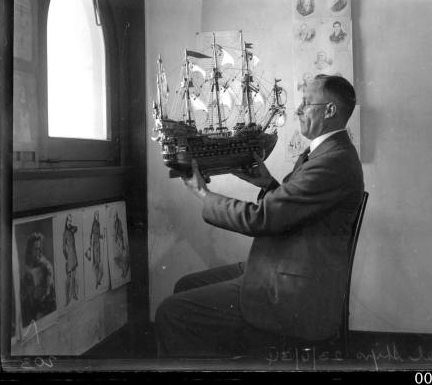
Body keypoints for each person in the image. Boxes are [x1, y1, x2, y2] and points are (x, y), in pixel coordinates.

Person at [155, 75, 364, 357]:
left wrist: (204, 194)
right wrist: (267, 184)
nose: (298, 109)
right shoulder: (328, 153)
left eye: (306, 103)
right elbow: (297, 209)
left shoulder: (332, 161)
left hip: (293, 290)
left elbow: (261, 219)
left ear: (330, 111)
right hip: (288, 265)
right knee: (185, 285)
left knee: (171, 312)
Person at [20, 232, 56, 327]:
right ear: (30, 250)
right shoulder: (27, 268)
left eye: (40, 248)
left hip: (45, 309)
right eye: (36, 249)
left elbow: (48, 292)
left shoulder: (46, 266)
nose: (39, 252)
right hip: (32, 312)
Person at [62, 214, 79, 305]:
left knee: (74, 278)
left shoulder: (72, 230)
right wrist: (67, 257)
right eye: (68, 221)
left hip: (74, 256)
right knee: (68, 279)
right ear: (66, 221)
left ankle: (74, 294)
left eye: (71, 221)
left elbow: (76, 228)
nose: (70, 222)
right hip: (69, 258)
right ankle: (67, 299)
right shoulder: (65, 233)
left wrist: (70, 225)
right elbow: (63, 248)